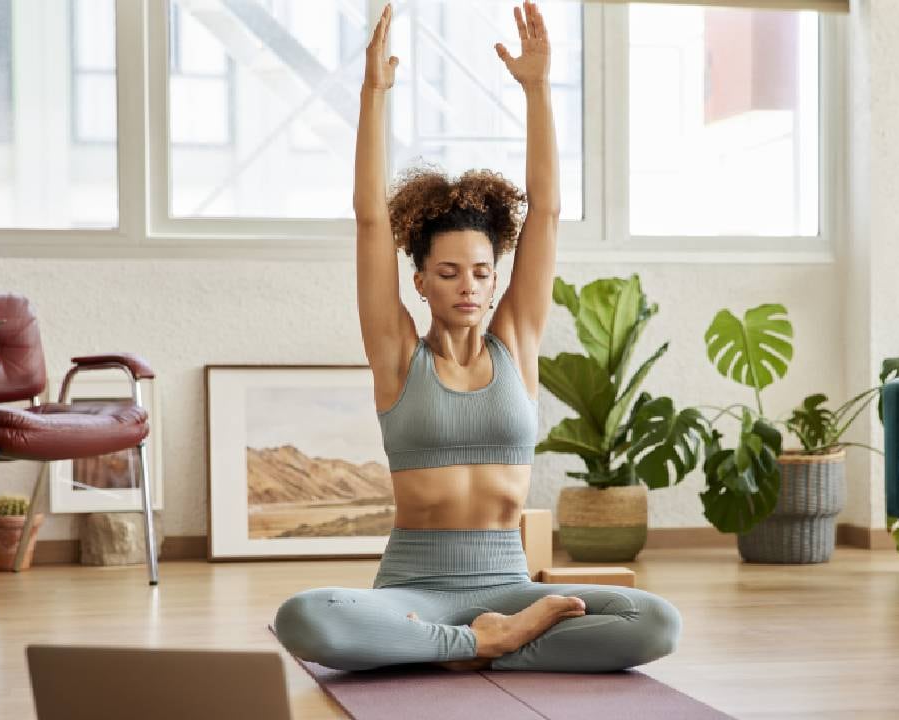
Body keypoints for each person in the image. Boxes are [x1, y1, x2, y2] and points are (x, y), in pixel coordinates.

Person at [273, 1, 681, 673]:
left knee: (655, 621)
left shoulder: (516, 342)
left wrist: (539, 88)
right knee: (305, 618)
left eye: (482, 272)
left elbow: (545, 212)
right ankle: (491, 644)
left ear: (496, 282)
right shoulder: (398, 356)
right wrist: (374, 95)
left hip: (510, 583)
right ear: (421, 282)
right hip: (413, 591)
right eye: (449, 272)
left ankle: (473, 644)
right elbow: (371, 221)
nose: (468, 286)